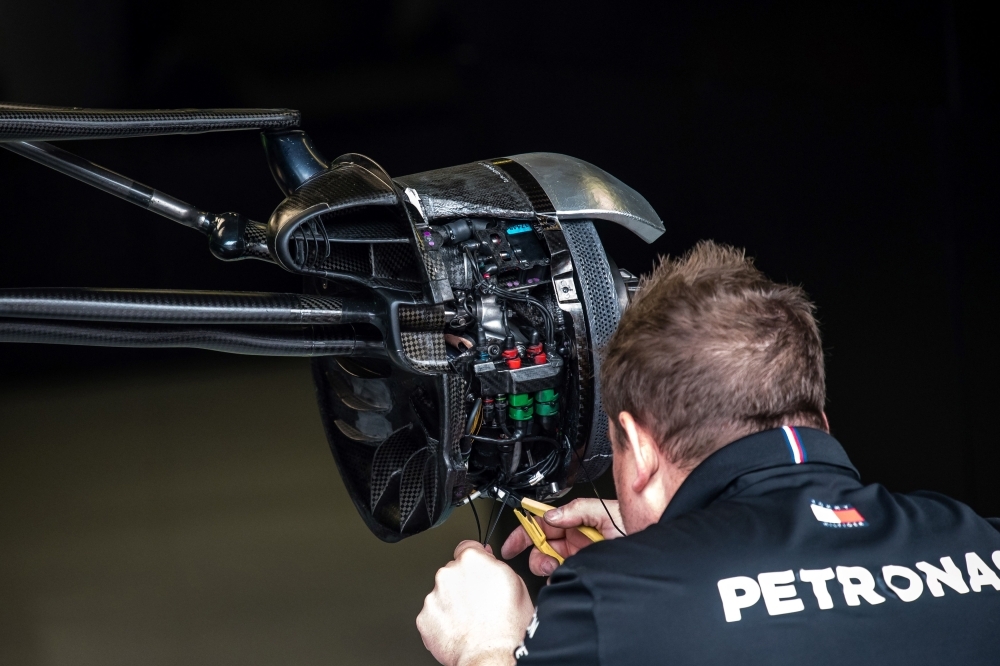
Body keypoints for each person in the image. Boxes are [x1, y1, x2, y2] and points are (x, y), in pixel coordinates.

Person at [416, 241, 1000, 666]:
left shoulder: (605, 607)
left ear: (639, 449)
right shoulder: (982, 540)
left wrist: (483, 648)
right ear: (819, 421)